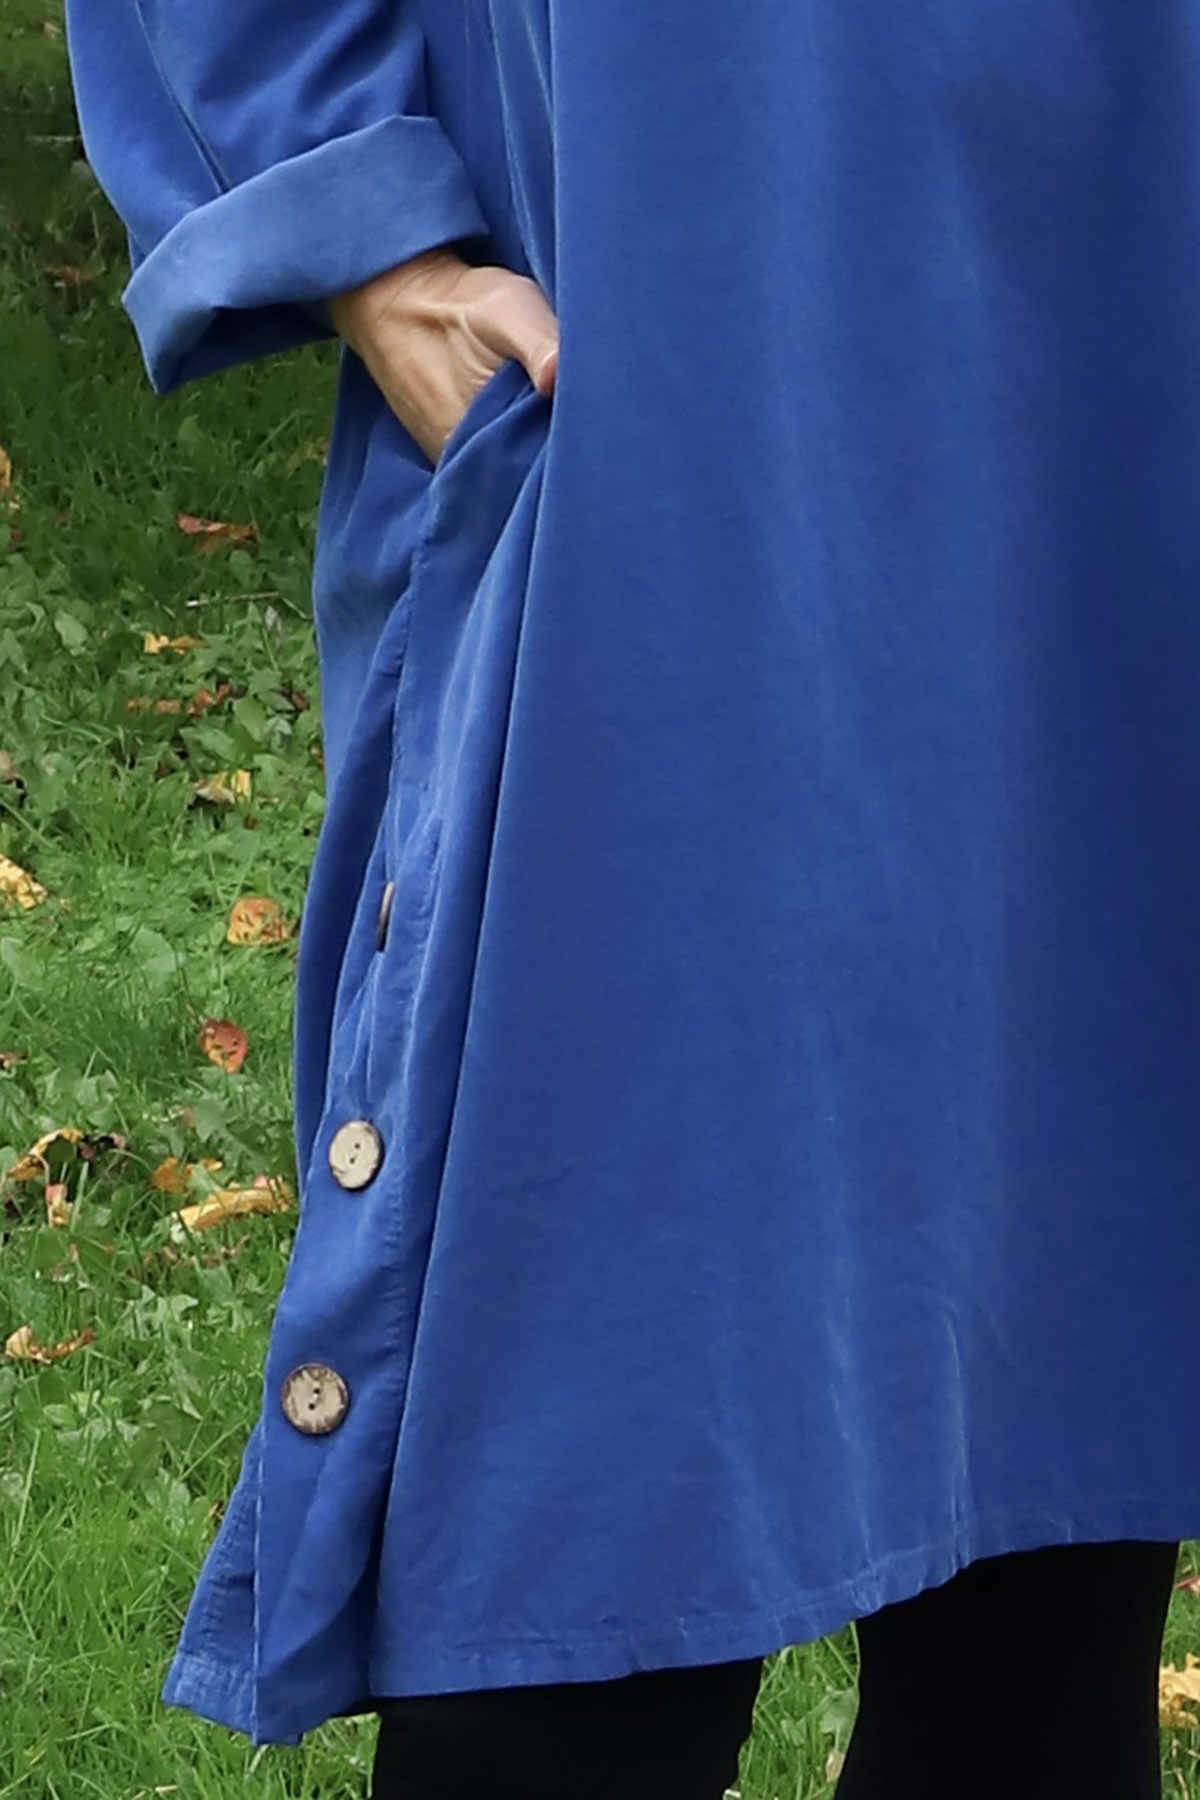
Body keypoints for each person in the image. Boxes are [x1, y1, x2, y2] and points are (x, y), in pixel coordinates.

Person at [63, 3, 1200, 1795]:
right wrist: (364, 229)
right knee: (568, 1529)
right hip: (661, 332)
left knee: (1060, 1506)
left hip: (1119, 306)